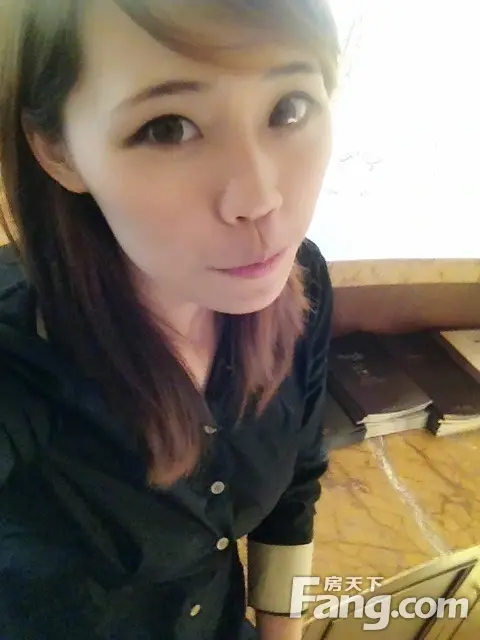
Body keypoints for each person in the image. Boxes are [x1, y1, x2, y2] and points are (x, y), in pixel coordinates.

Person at [0, 1, 339, 638]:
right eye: (167, 128)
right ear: (56, 150)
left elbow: (296, 488)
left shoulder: (303, 283)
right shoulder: (20, 357)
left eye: (288, 108)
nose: (259, 198)